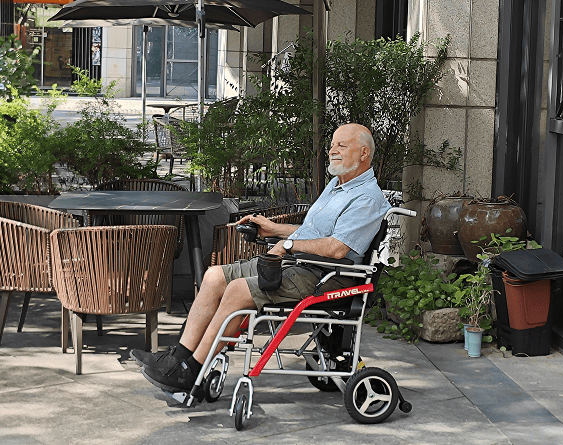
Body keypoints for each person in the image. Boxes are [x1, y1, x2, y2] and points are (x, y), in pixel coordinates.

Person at [131, 122, 390, 394]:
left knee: (237, 290)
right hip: (301, 265)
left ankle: (191, 371)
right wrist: (274, 229)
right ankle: (178, 359)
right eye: (332, 145)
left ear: (363, 153)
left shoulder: (366, 198)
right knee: (214, 276)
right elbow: (312, 233)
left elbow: (337, 248)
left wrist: (287, 245)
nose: (332, 151)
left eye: (341, 145)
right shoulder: (337, 185)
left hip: (327, 276)